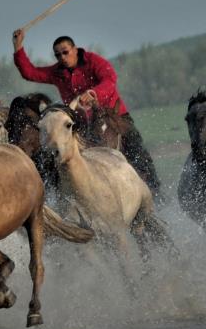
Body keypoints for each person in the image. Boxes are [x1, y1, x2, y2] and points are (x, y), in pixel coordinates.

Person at [12, 28, 165, 205]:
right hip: (81, 123)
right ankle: (59, 198)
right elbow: (30, 73)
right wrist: (18, 48)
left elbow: (110, 79)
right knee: (56, 154)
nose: (62, 57)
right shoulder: (56, 72)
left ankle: (155, 192)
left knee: (137, 150)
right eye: (58, 55)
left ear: (75, 50)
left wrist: (93, 93)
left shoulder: (93, 61)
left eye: (65, 52)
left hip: (113, 116)